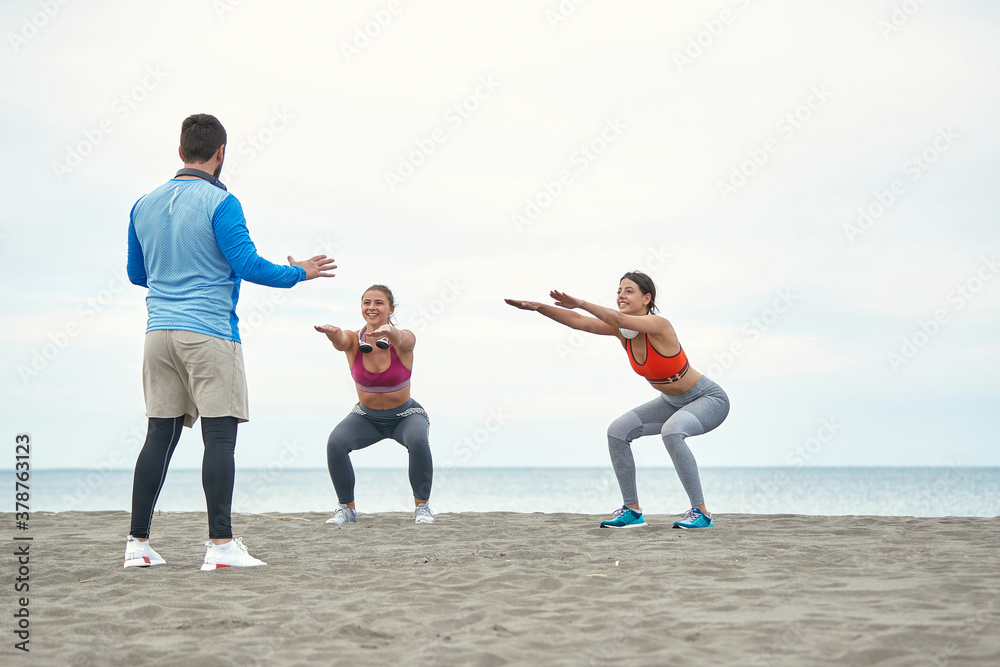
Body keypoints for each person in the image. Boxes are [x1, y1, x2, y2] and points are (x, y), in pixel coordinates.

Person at [124, 113, 336, 570]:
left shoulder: (142, 204)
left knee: (158, 436)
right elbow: (250, 266)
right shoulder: (223, 202)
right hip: (209, 333)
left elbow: (136, 274)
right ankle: (220, 546)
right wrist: (302, 272)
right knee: (219, 438)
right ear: (221, 153)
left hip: (157, 333)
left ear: (180, 152)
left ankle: (137, 546)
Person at [505, 271, 729, 529]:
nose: (621, 295)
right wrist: (539, 308)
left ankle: (701, 513)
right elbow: (579, 322)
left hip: (707, 398)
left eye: (629, 290)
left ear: (647, 298)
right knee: (617, 431)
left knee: (672, 431)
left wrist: (581, 302)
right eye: (619, 290)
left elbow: (610, 316)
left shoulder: (660, 325)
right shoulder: (622, 331)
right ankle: (632, 510)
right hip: (671, 401)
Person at [315, 285, 435, 525]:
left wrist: (391, 334)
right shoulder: (353, 339)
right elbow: (341, 341)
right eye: (366, 302)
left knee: (418, 440)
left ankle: (422, 507)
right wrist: (332, 333)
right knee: (336, 442)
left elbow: (406, 339)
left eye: (379, 303)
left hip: (405, 415)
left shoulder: (403, 340)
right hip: (366, 417)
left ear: (390, 309)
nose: (372, 307)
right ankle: (346, 509)